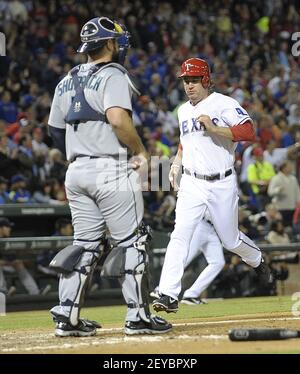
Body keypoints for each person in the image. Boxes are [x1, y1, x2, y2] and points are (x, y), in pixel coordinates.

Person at [48, 16, 171, 336]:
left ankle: (67, 315)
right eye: (117, 40)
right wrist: (141, 152)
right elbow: (117, 119)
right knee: (133, 240)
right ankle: (138, 316)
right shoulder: (114, 73)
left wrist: (81, 152)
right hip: (110, 169)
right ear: (108, 44)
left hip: (76, 172)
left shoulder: (66, 79)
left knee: (85, 244)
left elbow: (53, 130)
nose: (120, 45)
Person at [153, 58, 271, 314]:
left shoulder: (224, 103)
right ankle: (168, 294)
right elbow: (186, 141)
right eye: (186, 80)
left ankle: (257, 259)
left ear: (206, 80)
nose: (189, 85)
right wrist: (176, 162)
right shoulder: (183, 110)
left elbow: (249, 132)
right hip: (193, 182)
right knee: (180, 234)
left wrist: (216, 128)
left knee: (230, 240)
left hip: (222, 182)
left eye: (194, 80)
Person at [152, 212, 225, 305]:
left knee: (218, 262)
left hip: (212, 229)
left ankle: (191, 294)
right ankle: (161, 289)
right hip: (200, 225)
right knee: (184, 259)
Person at [0, 217, 50, 296]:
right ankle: (2, 292)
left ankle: (35, 292)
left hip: (4, 267)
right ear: (1, 228)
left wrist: (15, 262)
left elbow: (11, 258)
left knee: (19, 265)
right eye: (7, 227)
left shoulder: (7, 240)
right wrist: (6, 263)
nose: (10, 229)